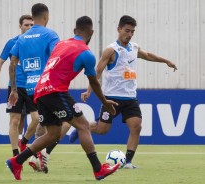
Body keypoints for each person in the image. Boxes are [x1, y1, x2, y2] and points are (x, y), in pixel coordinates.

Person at [6, 15, 120, 181]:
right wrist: (105, 102)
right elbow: (94, 82)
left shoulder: (61, 44)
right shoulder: (86, 53)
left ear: (74, 31)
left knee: (52, 134)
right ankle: (98, 169)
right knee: (83, 126)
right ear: (92, 33)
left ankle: (17, 161)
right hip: (55, 91)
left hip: (40, 90)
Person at [69, 15, 178, 169]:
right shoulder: (111, 50)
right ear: (119, 29)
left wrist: (166, 61)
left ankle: (127, 162)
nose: (129, 34)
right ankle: (83, 127)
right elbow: (97, 72)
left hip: (130, 98)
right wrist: (88, 91)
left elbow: (147, 55)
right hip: (111, 98)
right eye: (127, 30)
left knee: (136, 126)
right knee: (102, 129)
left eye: (132, 31)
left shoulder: (134, 48)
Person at [8, 3, 60, 174]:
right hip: (46, 87)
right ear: (46, 17)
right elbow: (56, 59)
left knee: (44, 122)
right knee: (66, 121)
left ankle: (35, 155)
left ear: (33, 16)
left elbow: (12, 64)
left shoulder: (22, 38)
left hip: (29, 88)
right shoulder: (50, 35)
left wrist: (14, 89)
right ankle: (35, 154)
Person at [0, 15, 34, 156]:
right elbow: (0, 62)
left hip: (33, 87)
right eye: (26, 25)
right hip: (15, 87)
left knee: (35, 119)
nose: (29, 28)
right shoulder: (13, 42)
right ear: (20, 26)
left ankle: (23, 142)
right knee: (15, 120)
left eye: (31, 25)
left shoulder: (37, 42)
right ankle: (16, 154)